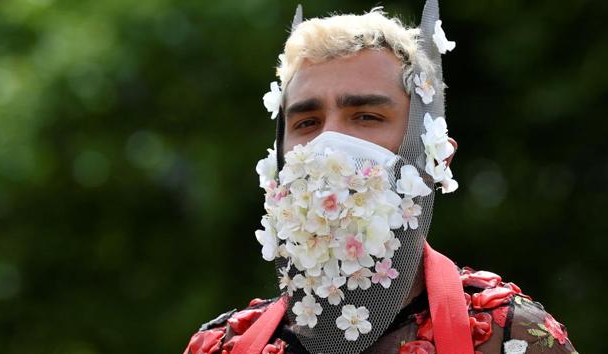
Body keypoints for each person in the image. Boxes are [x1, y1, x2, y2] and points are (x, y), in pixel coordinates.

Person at [185, 3, 578, 354]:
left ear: (435, 155)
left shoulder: (508, 336)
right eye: (307, 122)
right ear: (278, 161)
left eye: (366, 116)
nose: (330, 145)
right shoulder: (221, 347)